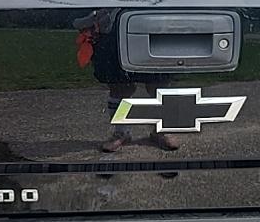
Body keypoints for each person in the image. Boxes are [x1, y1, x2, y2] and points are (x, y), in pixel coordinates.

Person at [74, 9, 180, 153]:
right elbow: (78, 21)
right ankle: (121, 132)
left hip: (152, 30)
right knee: (119, 88)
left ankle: (162, 131)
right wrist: (95, 18)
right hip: (113, 35)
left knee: (159, 86)